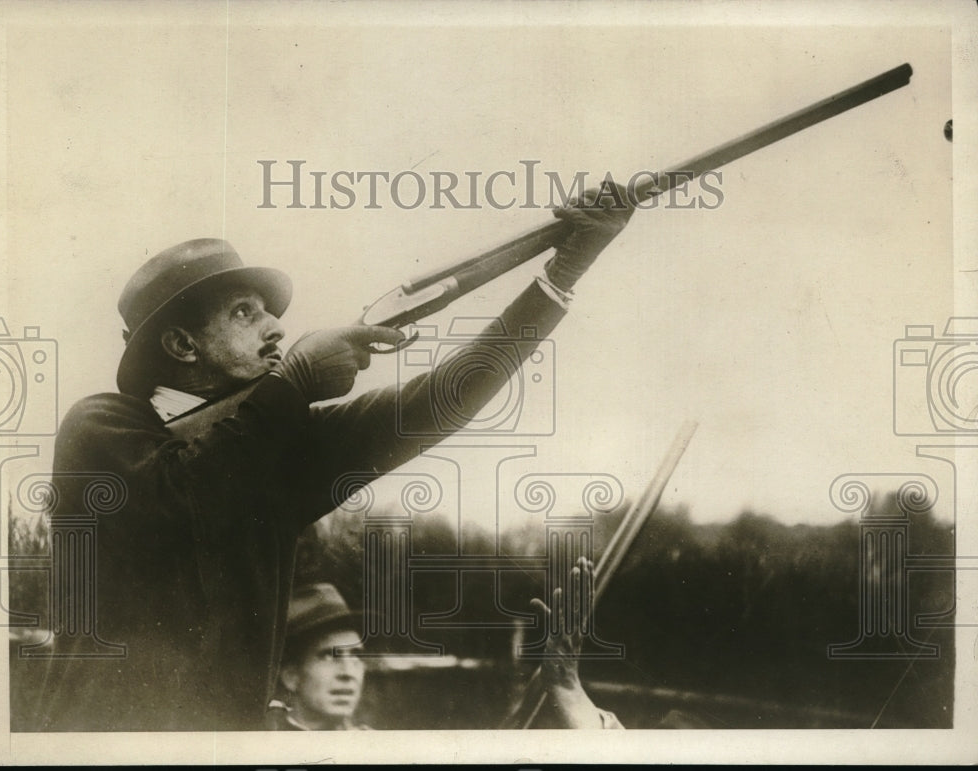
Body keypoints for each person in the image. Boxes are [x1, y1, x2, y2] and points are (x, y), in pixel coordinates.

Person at [33, 187, 633, 731]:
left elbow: (438, 404)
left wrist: (561, 276)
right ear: (181, 344)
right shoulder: (99, 425)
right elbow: (191, 494)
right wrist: (291, 385)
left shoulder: (270, 444)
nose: (275, 327)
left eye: (270, 312)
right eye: (245, 312)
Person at [267, 559, 621, 730]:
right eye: (330, 656)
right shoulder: (251, 738)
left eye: (357, 656)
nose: (348, 673)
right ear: (290, 674)